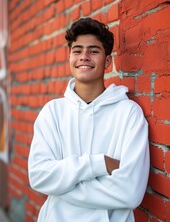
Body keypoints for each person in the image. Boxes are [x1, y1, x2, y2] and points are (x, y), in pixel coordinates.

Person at [28, 17, 150, 222]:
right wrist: (99, 163)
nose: (84, 56)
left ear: (108, 61)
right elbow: (39, 177)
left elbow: (130, 192)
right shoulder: (52, 112)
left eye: (93, 51)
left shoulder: (129, 113)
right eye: (77, 51)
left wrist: (61, 185)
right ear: (69, 58)